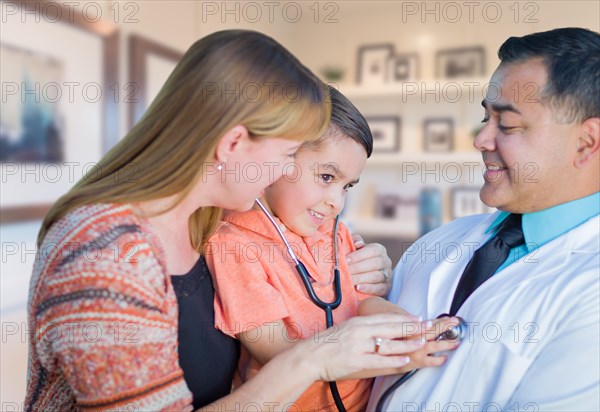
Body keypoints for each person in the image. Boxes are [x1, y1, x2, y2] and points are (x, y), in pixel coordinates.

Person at [25, 30, 439, 411]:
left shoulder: (207, 224)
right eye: (287, 154)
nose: (283, 173)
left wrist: (364, 277)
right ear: (233, 144)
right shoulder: (105, 256)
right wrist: (314, 359)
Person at [368, 27, 600, 411]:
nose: (481, 139)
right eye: (485, 118)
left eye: (506, 125)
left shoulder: (590, 292)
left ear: (586, 143)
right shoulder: (438, 243)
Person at [206, 86, 459, 411]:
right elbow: (279, 353)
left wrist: (413, 328)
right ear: (277, 161)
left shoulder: (333, 231)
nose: (336, 202)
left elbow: (363, 300)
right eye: (326, 177)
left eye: (347, 186)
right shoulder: (235, 246)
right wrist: (395, 355)